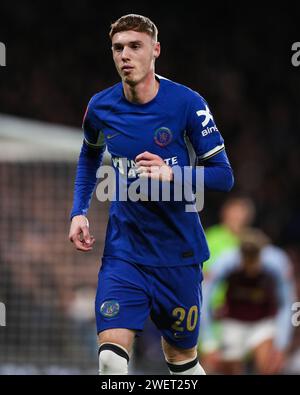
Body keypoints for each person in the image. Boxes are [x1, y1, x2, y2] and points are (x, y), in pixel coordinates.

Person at [68, 14, 234, 375]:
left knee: (182, 364)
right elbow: (89, 153)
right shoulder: (101, 107)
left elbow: (224, 177)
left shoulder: (187, 103)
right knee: (110, 361)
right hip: (124, 253)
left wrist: (171, 173)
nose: (125, 54)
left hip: (178, 254)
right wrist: (78, 211)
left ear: (155, 50)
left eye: (135, 46)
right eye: (118, 48)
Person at [200, 228, 296, 374]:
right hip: (233, 322)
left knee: (268, 366)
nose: (250, 268)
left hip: (263, 322)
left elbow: (287, 303)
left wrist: (281, 344)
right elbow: (204, 298)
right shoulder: (225, 261)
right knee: (227, 370)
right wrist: (208, 342)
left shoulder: (277, 263)